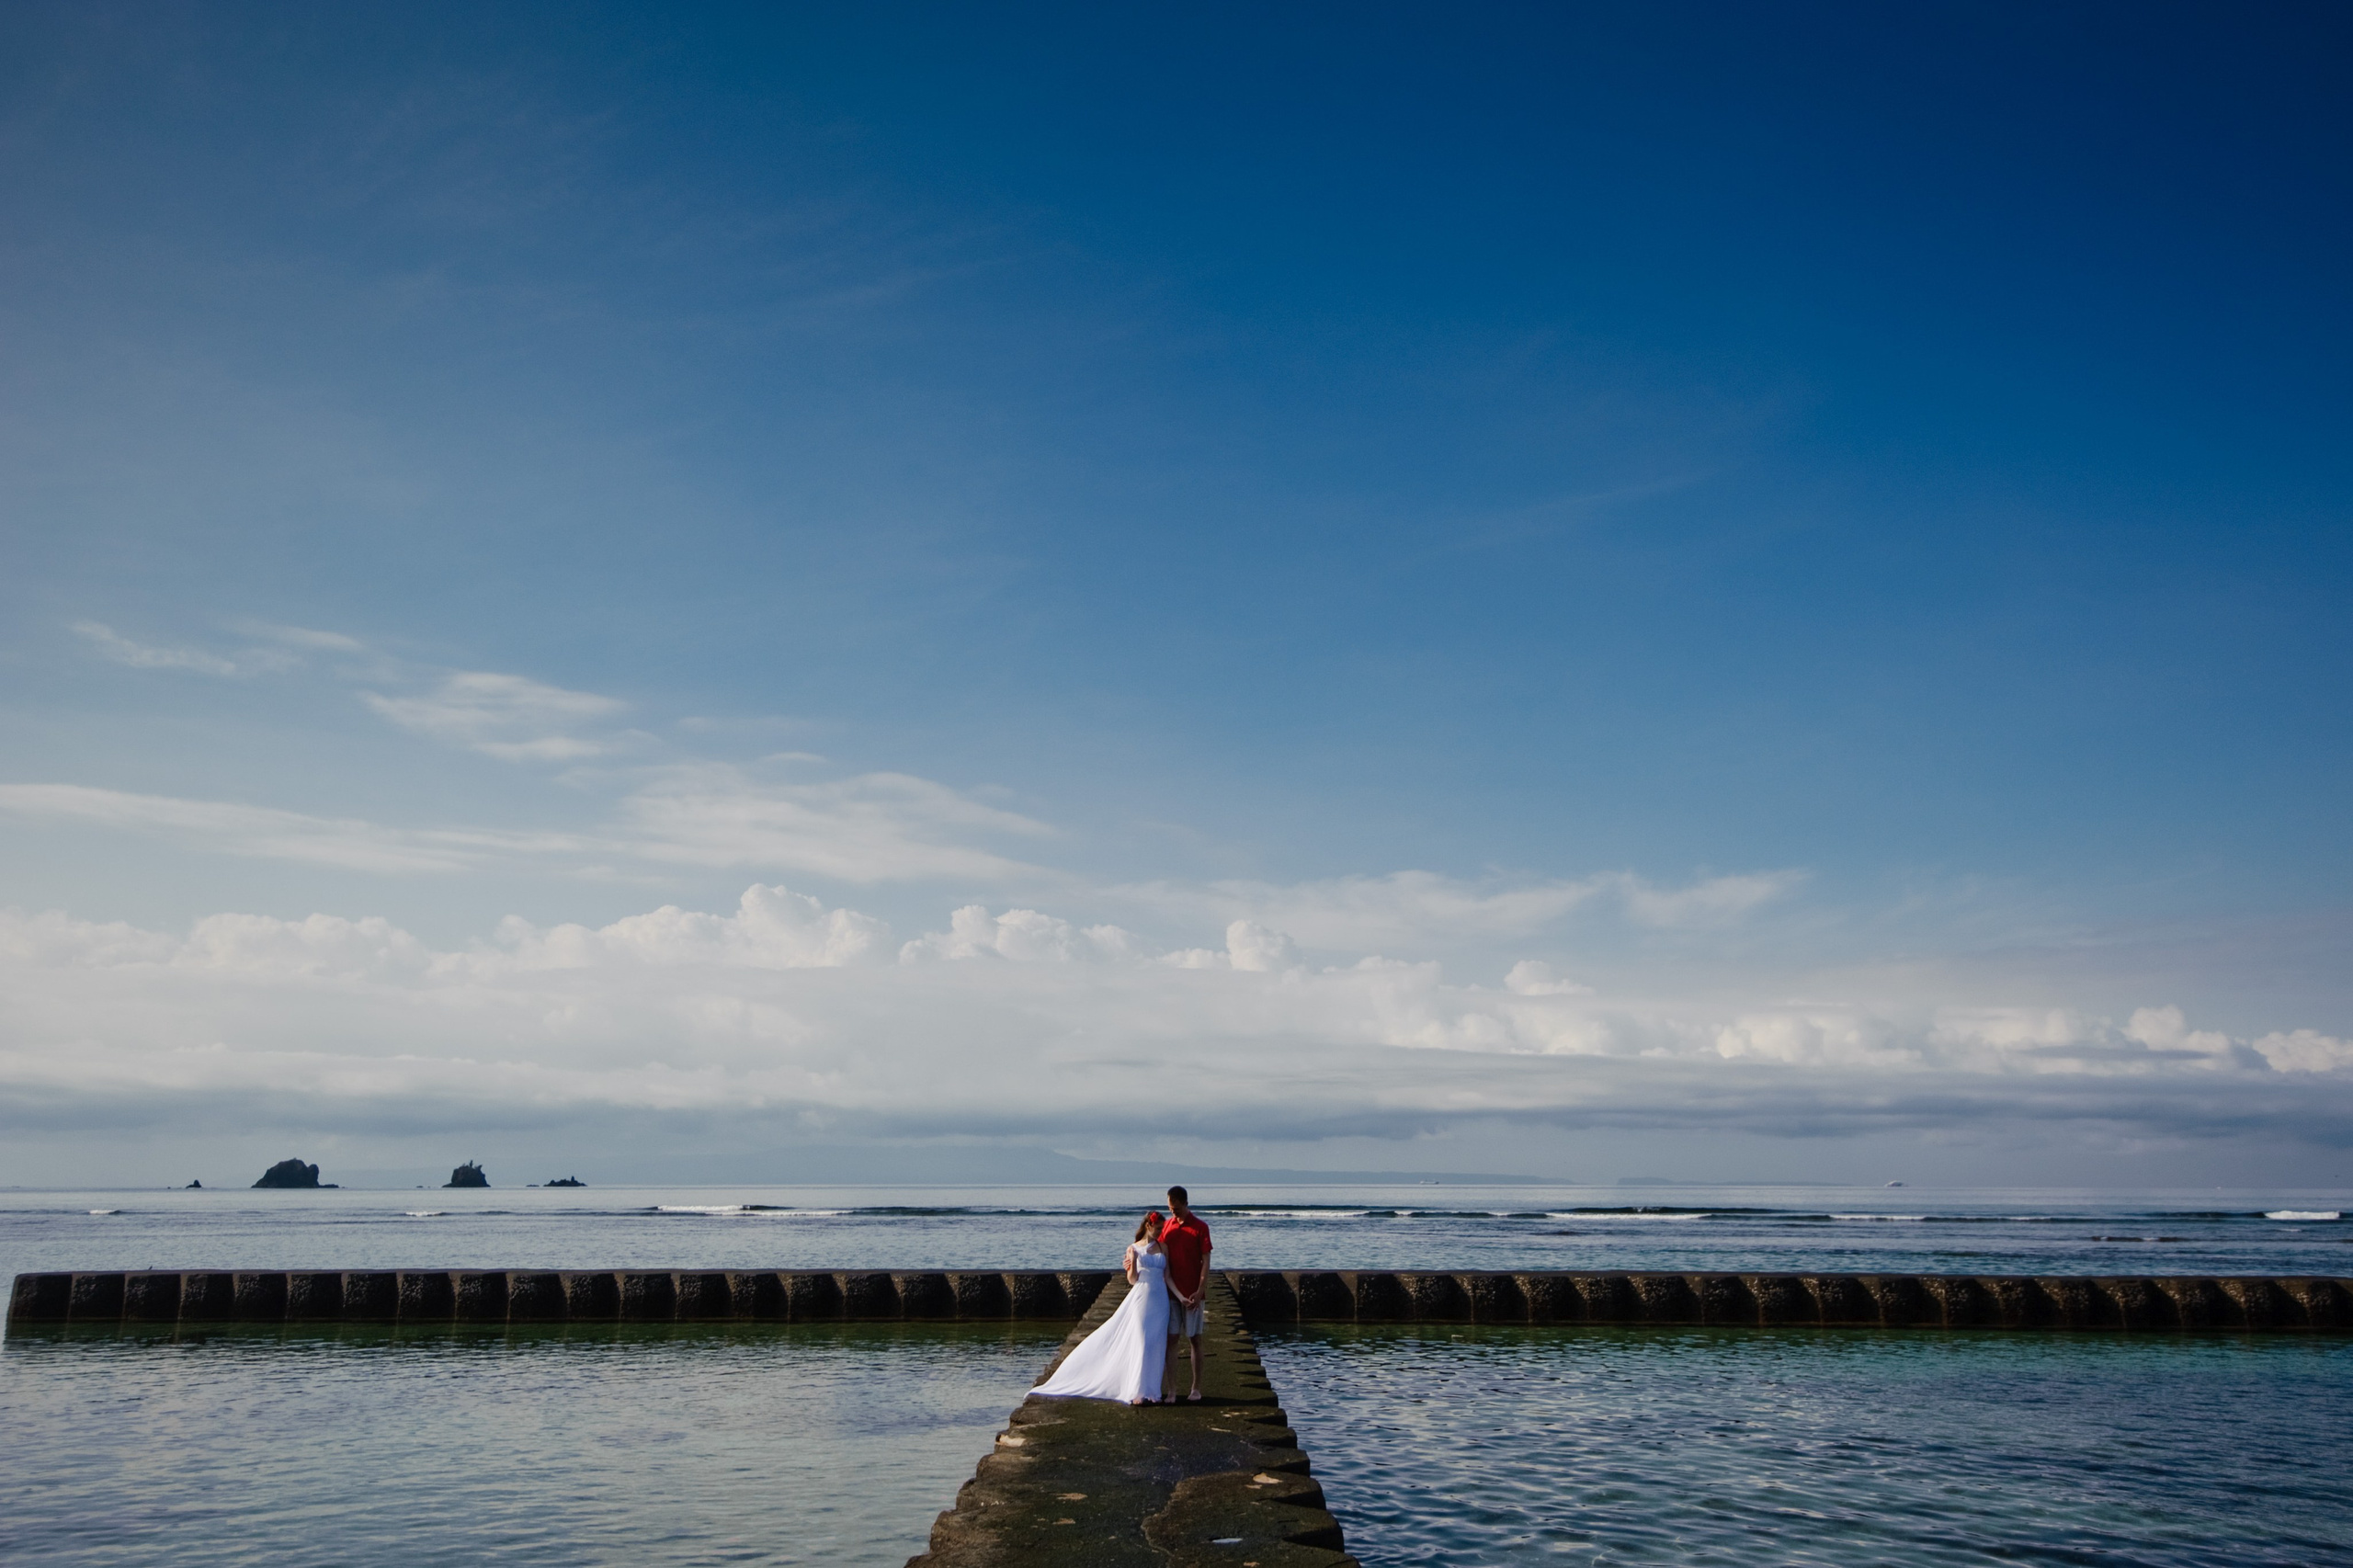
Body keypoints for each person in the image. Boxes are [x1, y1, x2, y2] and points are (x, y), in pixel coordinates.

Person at [1030, 1210, 1171, 1405]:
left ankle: (1152, 1391)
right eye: (1158, 1228)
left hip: (1160, 1298)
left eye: (1162, 1228)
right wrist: (1133, 1263)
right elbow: (1132, 1280)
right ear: (1148, 1226)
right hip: (1142, 1296)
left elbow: (1168, 1277)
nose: (1160, 1232)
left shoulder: (1163, 1247)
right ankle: (1138, 1390)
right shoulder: (1133, 1249)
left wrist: (1182, 1297)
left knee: (1156, 1343)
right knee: (1141, 1340)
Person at [1158, 1185, 1212, 1403]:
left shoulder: (1200, 1227)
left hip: (1193, 1293)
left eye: (1177, 1209)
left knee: (1195, 1339)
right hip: (1171, 1294)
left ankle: (1195, 1388)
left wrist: (1200, 1291)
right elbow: (1154, 1249)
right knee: (1171, 1340)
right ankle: (1172, 1390)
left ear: (1186, 1204)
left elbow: (1206, 1261)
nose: (1173, 1213)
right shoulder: (1167, 1227)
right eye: (1171, 1209)